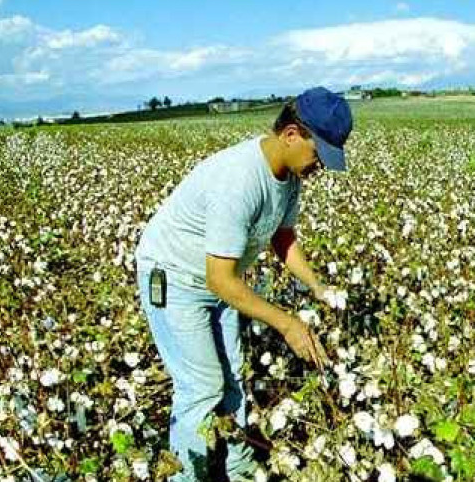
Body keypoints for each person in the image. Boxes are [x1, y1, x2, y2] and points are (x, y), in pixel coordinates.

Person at [134, 87, 353, 481]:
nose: (319, 165)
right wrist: (287, 323)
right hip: (175, 278)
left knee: (233, 378)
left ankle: (237, 469)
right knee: (202, 386)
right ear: (291, 134)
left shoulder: (289, 177)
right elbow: (220, 279)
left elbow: (282, 238)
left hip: (217, 281)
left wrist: (317, 286)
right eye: (318, 153)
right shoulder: (238, 181)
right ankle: (188, 475)